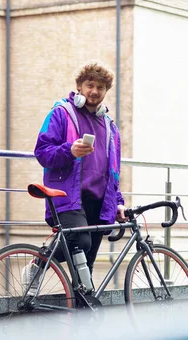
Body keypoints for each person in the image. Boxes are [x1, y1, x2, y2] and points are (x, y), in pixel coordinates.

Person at [34, 60, 126, 285]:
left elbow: (113, 172)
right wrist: (70, 151)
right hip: (68, 196)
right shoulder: (61, 114)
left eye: (101, 87)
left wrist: (119, 202)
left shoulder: (110, 127)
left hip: (99, 200)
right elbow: (42, 152)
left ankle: (82, 313)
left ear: (106, 91)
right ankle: (38, 264)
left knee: (87, 264)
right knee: (80, 242)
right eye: (90, 85)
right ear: (79, 87)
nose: (95, 91)